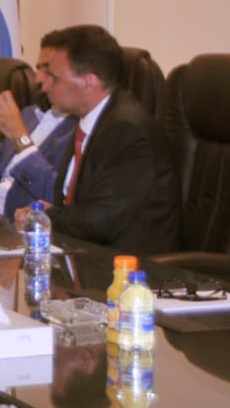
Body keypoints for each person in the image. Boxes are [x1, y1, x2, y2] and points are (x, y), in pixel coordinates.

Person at [25, 25, 180, 255]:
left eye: (54, 78)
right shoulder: (92, 120)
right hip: (81, 255)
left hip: (127, 267)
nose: (45, 85)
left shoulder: (128, 132)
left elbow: (100, 221)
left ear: (89, 82)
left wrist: (44, 216)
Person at [0, 32, 77, 217]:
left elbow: (61, 198)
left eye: (48, 71)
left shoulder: (81, 131)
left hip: (21, 228)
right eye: (38, 68)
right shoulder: (28, 115)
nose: (38, 78)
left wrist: (20, 138)